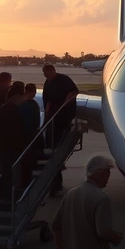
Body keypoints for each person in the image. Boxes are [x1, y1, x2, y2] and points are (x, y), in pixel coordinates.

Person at [51, 154, 123, 249]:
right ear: (98, 173)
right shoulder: (101, 198)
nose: (109, 177)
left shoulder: (71, 194)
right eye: (107, 173)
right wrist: (117, 238)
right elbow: (103, 231)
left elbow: (56, 227)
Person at [43, 64, 80, 195]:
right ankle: (55, 182)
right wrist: (46, 117)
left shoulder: (64, 79)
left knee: (56, 148)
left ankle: (55, 183)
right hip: (54, 117)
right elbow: (47, 101)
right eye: (45, 75)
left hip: (64, 116)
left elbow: (76, 91)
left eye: (48, 74)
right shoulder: (47, 83)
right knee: (52, 150)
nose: (46, 77)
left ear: (53, 71)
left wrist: (67, 100)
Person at [0, 81, 28, 194]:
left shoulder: (3, 108)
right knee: (14, 169)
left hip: (2, 145)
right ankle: (12, 192)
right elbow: (20, 128)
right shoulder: (15, 109)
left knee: (5, 169)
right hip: (12, 146)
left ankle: (5, 190)